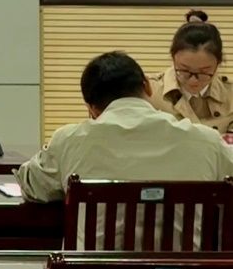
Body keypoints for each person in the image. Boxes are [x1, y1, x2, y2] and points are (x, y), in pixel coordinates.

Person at [17, 51, 233, 205]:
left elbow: (33, 185)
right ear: (147, 86)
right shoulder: (206, 142)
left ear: (92, 108)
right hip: (188, 259)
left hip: (96, 260)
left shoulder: (68, 141)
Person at [148, 19, 232, 134]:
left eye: (204, 72)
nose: (193, 81)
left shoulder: (230, 94)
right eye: (184, 70)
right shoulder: (149, 92)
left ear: (218, 63)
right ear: (173, 59)